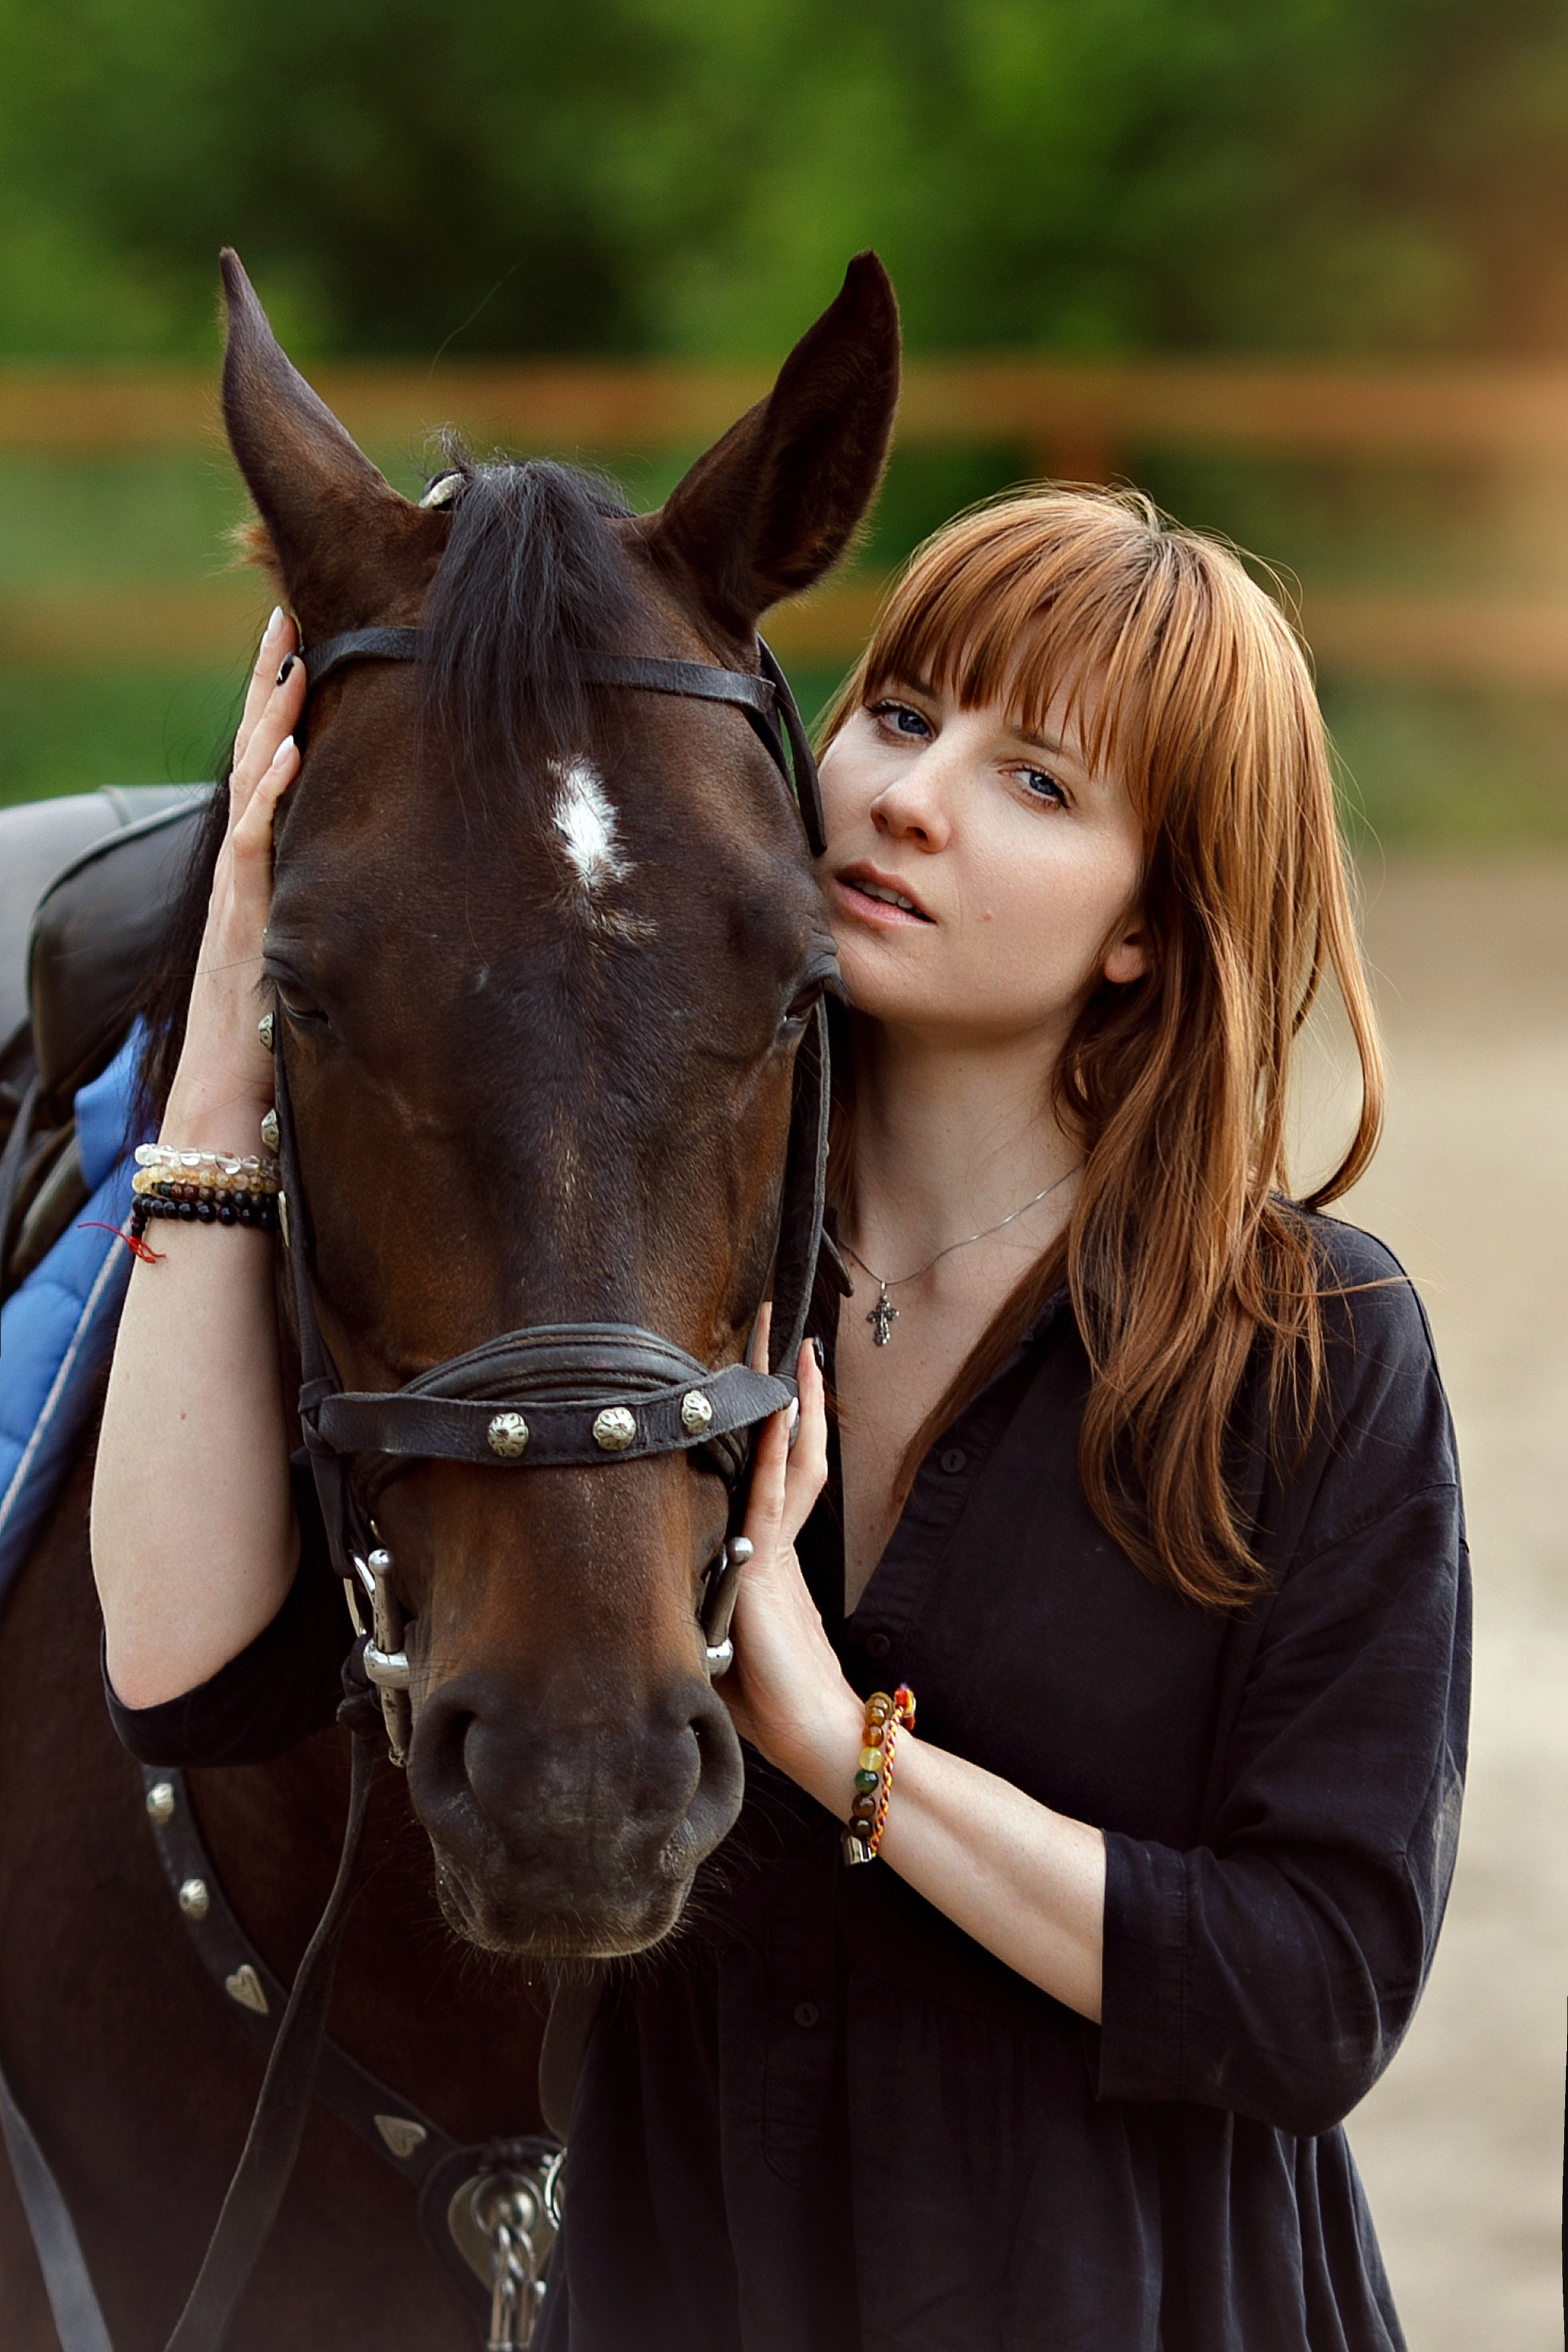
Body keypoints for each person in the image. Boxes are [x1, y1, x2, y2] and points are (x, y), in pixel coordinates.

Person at [92, 488, 1468, 2352]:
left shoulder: (1311, 1346)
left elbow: (1314, 2000)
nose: (910, 797)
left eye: (1039, 785)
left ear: (1152, 926)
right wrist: (240, 991)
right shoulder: (621, 1262)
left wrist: (843, 1752)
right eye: (901, 717)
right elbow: (190, 1678)